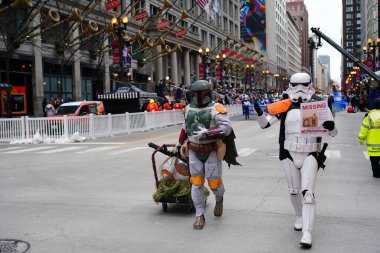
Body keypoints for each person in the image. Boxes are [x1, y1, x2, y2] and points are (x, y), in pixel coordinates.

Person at [252, 73, 338, 248]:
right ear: (290, 85)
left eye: (303, 85)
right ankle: (299, 216)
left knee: (308, 194)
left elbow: (333, 132)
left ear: (309, 85)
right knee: (293, 191)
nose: (299, 89)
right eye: (295, 85)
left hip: (310, 153)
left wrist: (331, 126)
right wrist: (260, 113)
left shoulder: (318, 104)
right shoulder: (285, 104)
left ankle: (307, 232)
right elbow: (265, 125)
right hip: (289, 152)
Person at [176, 80, 239, 230]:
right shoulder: (188, 108)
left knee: (214, 183)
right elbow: (185, 127)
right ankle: (199, 214)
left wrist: (209, 132)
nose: (198, 96)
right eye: (195, 93)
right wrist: (179, 144)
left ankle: (219, 198)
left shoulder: (216, 108)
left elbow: (226, 127)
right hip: (193, 149)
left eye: (201, 94)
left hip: (211, 149)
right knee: (196, 182)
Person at [358, 97, 380, 178]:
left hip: (373, 145)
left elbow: (364, 129)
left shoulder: (369, 116)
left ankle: (376, 173)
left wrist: (361, 139)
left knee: (374, 160)